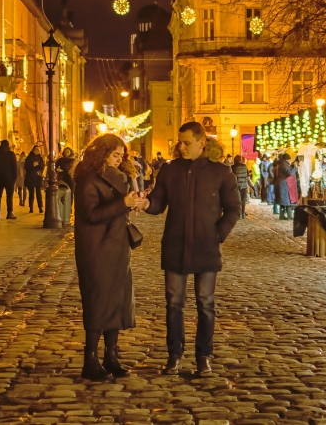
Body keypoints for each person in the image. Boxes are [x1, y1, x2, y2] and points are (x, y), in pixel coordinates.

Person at [145, 122, 240, 375]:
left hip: (206, 247)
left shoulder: (220, 173)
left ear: (202, 143)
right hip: (175, 245)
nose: (182, 147)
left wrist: (218, 234)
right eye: (180, 142)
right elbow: (158, 203)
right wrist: (145, 204)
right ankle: (174, 355)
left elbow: (233, 209)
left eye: (187, 142)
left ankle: (203, 357)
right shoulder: (170, 170)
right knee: (173, 303)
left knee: (205, 303)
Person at [74, 134, 148, 381]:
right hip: (96, 248)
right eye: (115, 154)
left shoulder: (121, 178)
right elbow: (90, 214)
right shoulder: (88, 179)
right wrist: (123, 203)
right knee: (98, 301)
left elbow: (119, 206)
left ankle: (111, 356)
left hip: (117, 246)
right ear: (102, 153)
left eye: (121, 155)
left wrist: (132, 203)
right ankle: (90, 360)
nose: (119, 159)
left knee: (117, 300)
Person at [272, 154, 296, 220]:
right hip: (283, 185)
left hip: (281, 184)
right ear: (287, 159)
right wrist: (294, 168)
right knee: (287, 200)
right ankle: (289, 216)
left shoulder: (281, 164)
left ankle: (282, 215)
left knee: (283, 201)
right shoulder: (284, 165)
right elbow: (289, 173)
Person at [23, 144, 45, 214]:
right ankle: (31, 207)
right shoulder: (29, 158)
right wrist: (32, 165)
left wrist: (38, 165)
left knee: (38, 192)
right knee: (31, 193)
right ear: (33, 150)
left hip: (38, 177)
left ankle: (40, 207)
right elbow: (25, 166)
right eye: (36, 150)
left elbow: (42, 167)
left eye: (39, 150)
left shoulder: (40, 158)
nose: (37, 151)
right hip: (30, 177)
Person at [0, 141, 17, 219]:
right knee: (9, 196)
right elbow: (14, 167)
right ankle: (9, 213)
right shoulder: (11, 154)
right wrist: (14, 178)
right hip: (9, 178)